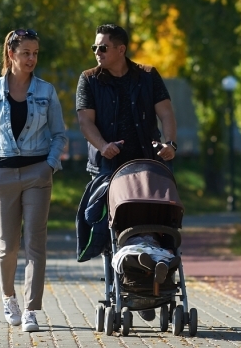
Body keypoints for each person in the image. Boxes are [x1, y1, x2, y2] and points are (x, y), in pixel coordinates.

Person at [76, 23, 177, 320]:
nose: (97, 52)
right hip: (109, 168)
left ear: (121, 49)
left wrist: (169, 143)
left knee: (156, 217)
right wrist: (103, 145)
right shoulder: (89, 80)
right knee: (112, 226)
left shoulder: (147, 76)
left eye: (103, 47)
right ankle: (132, 286)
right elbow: (85, 122)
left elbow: (167, 112)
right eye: (95, 47)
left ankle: (149, 283)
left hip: (148, 166)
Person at [0, 28, 67, 333]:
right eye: (26, 52)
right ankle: (9, 298)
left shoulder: (46, 91)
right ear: (11, 54)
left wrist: (49, 166)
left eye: (36, 53)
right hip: (2, 176)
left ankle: (30, 309)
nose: (32, 59)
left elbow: (59, 134)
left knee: (35, 245)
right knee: (7, 246)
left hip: (37, 174)